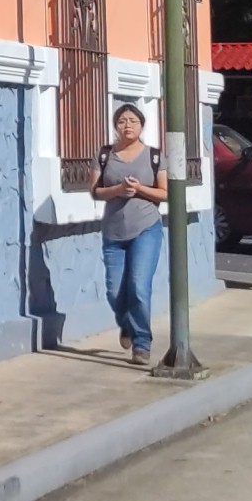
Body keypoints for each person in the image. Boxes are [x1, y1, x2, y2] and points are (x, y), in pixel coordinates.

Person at [93, 103, 169, 362]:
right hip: (113, 232)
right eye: (123, 121)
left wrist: (139, 190)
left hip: (146, 229)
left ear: (141, 125)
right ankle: (127, 323)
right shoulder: (105, 155)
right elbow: (95, 190)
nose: (128, 125)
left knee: (138, 286)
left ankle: (142, 343)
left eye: (133, 121)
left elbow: (165, 193)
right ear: (116, 126)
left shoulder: (154, 156)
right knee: (115, 292)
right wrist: (116, 191)